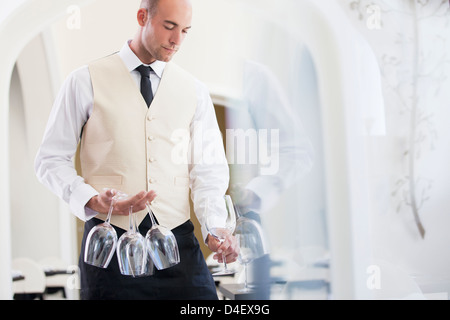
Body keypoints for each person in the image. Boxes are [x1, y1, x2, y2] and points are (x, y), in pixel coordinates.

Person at [34, 0, 238, 300]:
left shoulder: (194, 90)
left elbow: (207, 170)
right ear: (142, 17)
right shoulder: (84, 80)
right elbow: (49, 160)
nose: (176, 40)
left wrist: (215, 227)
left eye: (185, 30)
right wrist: (90, 198)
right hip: (108, 249)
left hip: (178, 245)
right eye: (169, 26)